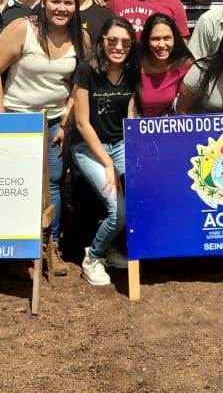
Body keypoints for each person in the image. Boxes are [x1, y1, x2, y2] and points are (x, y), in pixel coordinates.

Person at [0, 0, 86, 275]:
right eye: (56, 1)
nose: (62, 8)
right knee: (12, 182)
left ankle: (48, 244)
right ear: (44, 1)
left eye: (68, 3)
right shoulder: (22, 30)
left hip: (53, 121)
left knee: (51, 182)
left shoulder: (80, 38)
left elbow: (78, 84)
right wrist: (1, 119)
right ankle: (8, 247)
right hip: (16, 117)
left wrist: (67, 115)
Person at [73, 18, 136, 286]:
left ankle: (111, 248)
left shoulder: (132, 71)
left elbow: (131, 115)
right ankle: (94, 256)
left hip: (121, 143)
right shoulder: (87, 70)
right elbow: (81, 123)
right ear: (102, 42)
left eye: (125, 42)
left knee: (141, 195)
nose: (118, 47)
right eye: (112, 41)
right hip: (89, 147)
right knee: (118, 210)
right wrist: (108, 162)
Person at [136, 13, 193, 117]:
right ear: (147, 40)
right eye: (155, 39)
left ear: (174, 39)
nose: (162, 45)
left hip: (168, 127)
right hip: (134, 125)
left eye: (167, 38)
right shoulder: (135, 64)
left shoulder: (184, 65)